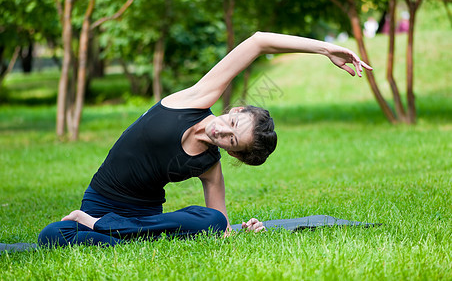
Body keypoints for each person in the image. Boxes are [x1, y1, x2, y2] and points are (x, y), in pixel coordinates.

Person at [38, 32, 372, 247]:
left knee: (211, 220)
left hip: (144, 220)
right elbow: (257, 42)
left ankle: (108, 231)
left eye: (231, 141)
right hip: (101, 204)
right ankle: (109, 229)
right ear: (235, 108)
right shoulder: (196, 98)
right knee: (51, 235)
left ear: (233, 154)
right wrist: (325, 48)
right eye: (232, 122)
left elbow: (220, 227)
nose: (221, 132)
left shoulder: (208, 166)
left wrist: (244, 230)